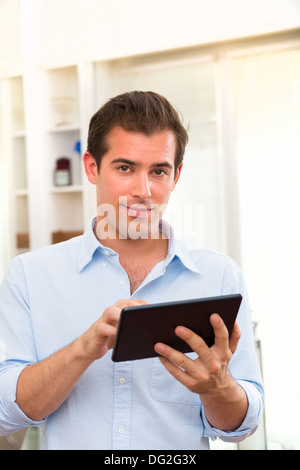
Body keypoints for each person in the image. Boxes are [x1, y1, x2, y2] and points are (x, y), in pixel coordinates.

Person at [0, 91, 264, 450]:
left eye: (159, 171)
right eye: (125, 168)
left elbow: (240, 427)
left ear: (176, 176)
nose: (143, 190)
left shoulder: (219, 277)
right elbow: (6, 415)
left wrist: (218, 387)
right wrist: (83, 349)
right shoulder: (30, 276)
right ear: (93, 167)